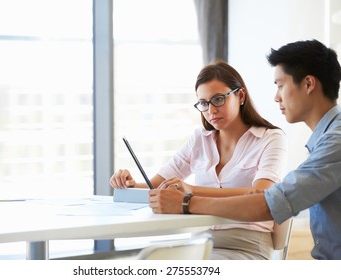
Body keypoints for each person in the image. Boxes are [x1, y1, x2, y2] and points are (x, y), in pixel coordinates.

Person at [149, 39, 341, 260]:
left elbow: (270, 203)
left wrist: (186, 201)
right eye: (204, 103)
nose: (276, 96)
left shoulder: (334, 142)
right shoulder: (325, 140)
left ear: (308, 84)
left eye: (280, 85)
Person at [111, 61, 288, 259]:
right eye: (203, 103)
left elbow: (262, 194)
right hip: (199, 245)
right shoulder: (199, 139)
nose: (211, 110)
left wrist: (191, 192)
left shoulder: (270, 138)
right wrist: (130, 184)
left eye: (218, 99)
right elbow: (157, 186)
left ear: (240, 96)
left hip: (247, 246)